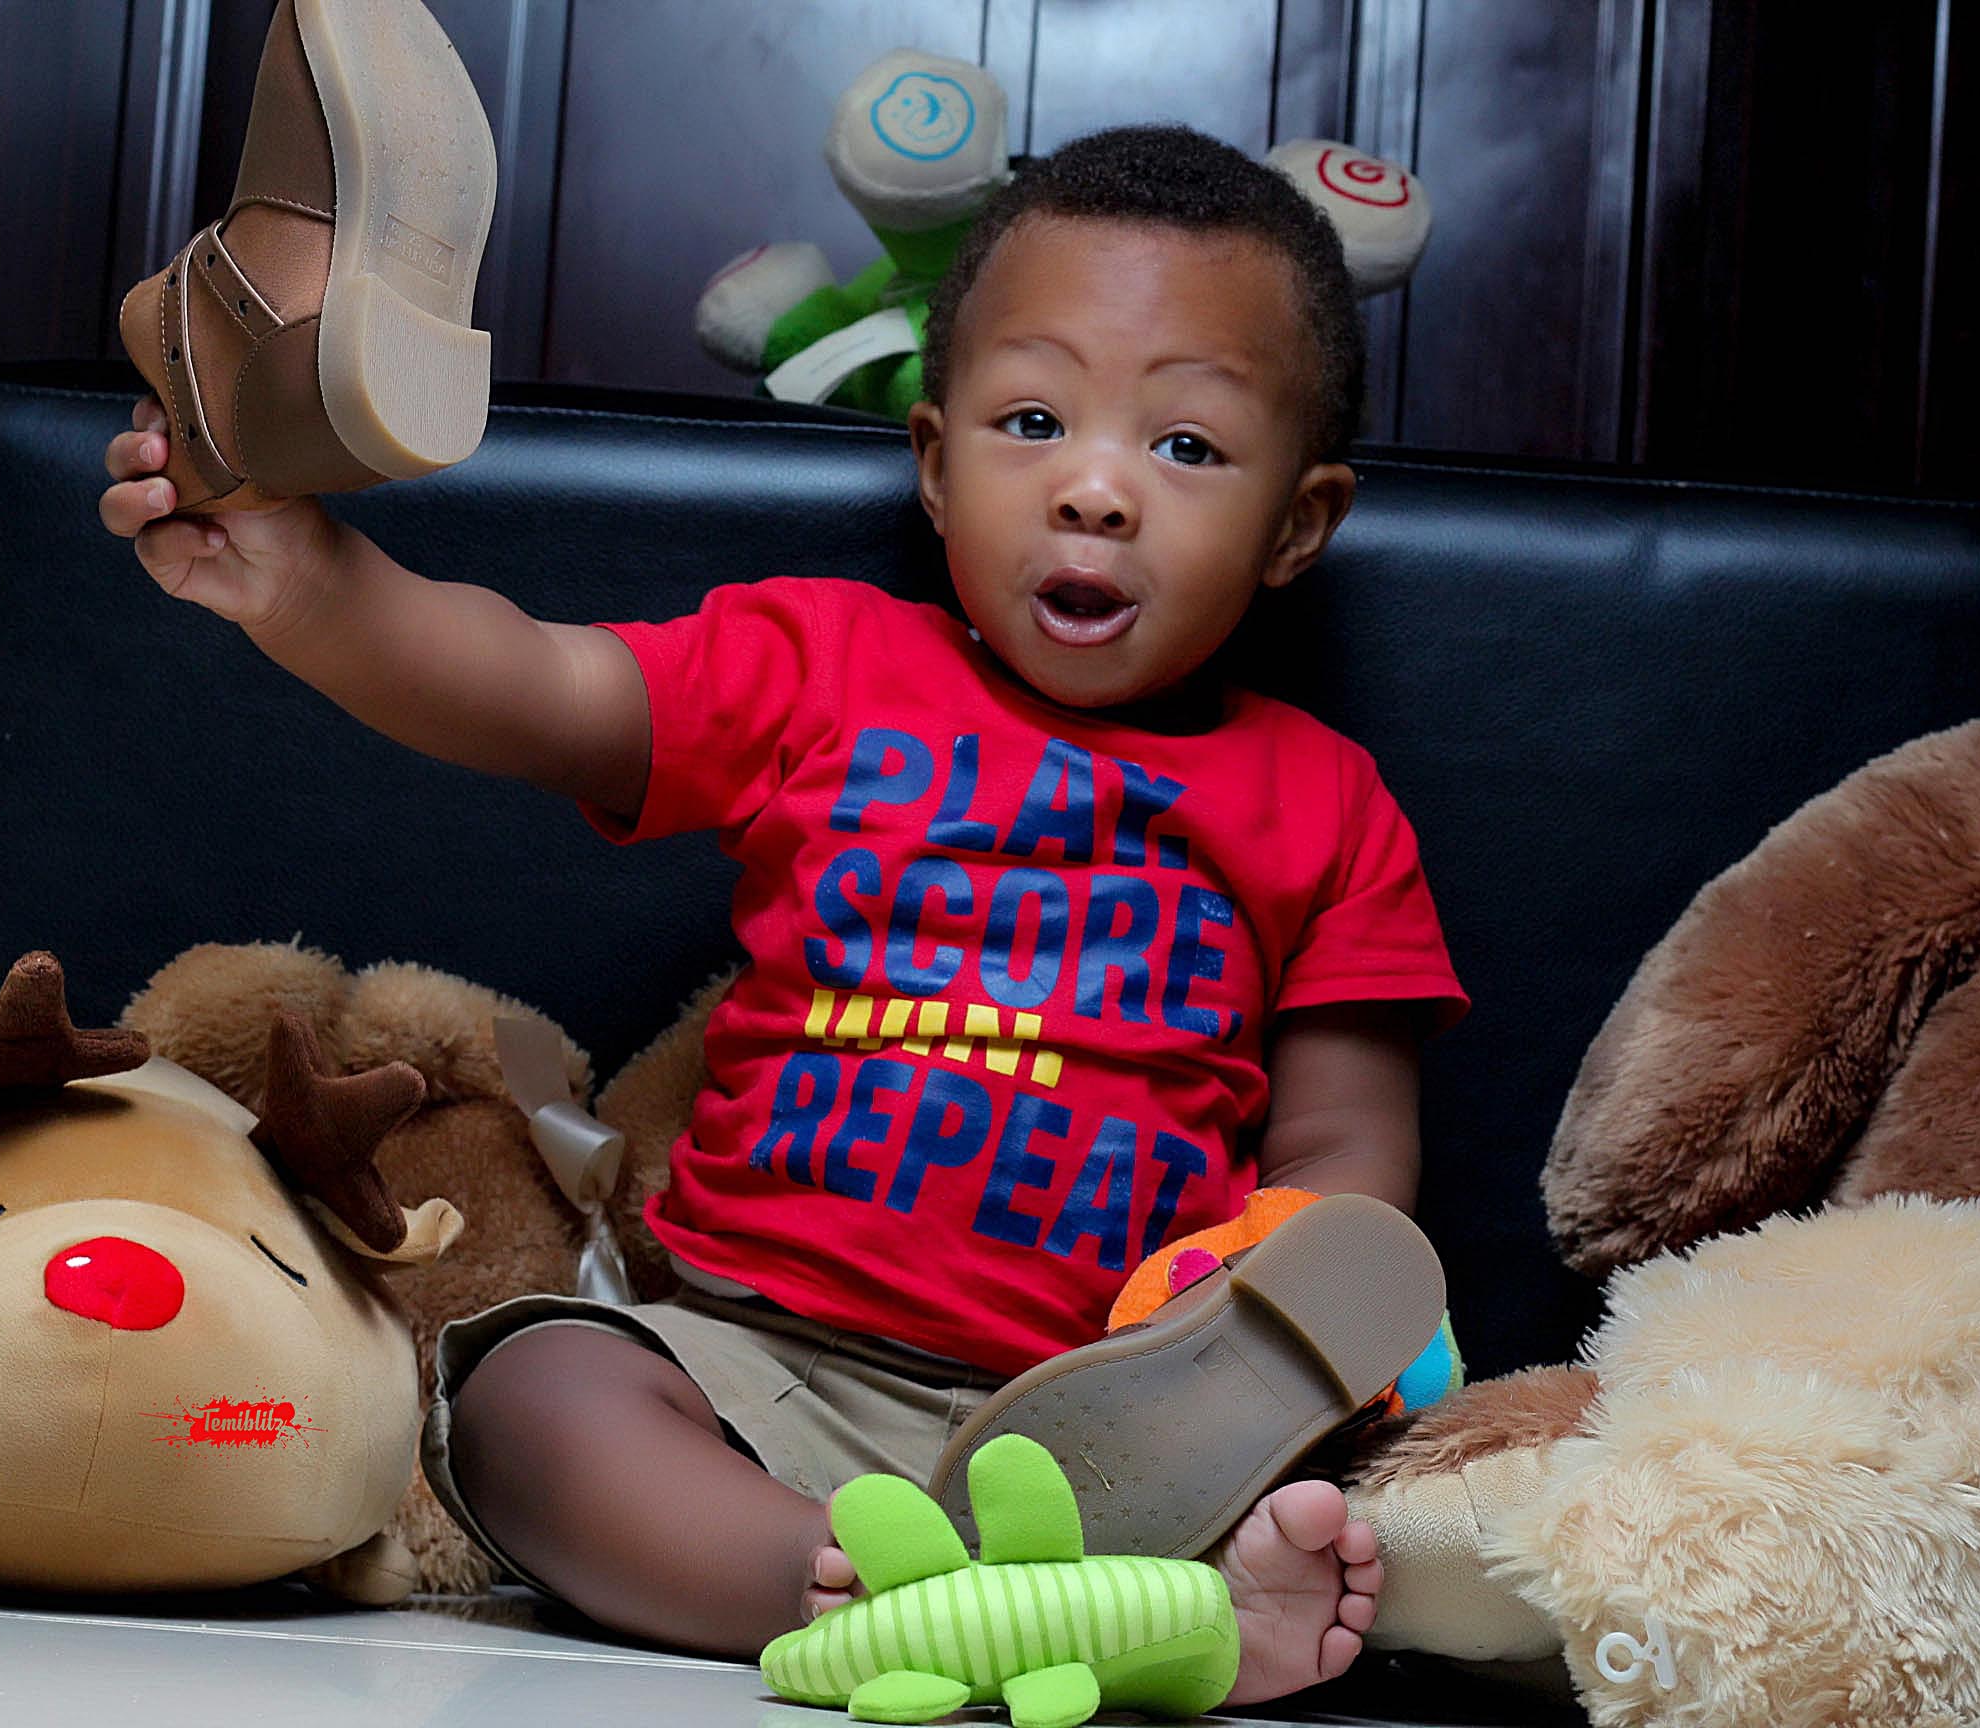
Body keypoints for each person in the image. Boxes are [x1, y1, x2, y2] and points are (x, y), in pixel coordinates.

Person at [98, 123, 1467, 1707]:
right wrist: (304, 582)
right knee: (531, 1397)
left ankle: (1128, 1587)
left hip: (1113, 1407)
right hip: (760, 1372)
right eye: (1034, 422)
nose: (1095, 491)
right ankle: (876, 1587)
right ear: (937, 464)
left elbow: (1345, 1151)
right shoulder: (822, 666)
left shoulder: (1329, 802)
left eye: (1187, 447)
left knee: (1325, 1475)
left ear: (1297, 522)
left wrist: (1262, 1293)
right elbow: (536, 685)